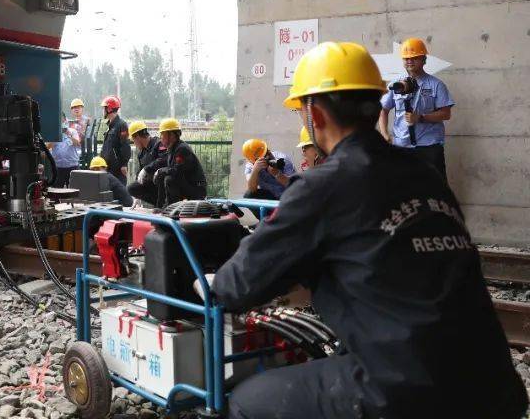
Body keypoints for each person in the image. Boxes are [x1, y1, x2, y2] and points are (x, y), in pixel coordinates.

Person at [210, 42, 526, 419]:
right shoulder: (427, 177)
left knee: (247, 401)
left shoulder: (322, 187)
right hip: (495, 387)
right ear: (377, 106)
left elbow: (236, 286)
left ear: (315, 114)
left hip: (411, 394)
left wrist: (210, 282)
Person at [379, 37, 454, 180]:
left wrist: (421, 117)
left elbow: (446, 114)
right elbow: (383, 109)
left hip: (429, 147)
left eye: (414, 58)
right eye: (406, 58)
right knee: (403, 188)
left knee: (434, 187)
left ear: (424, 60)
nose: (409, 61)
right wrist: (384, 134)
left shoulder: (436, 85)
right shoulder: (396, 85)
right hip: (402, 146)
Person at [129, 118, 206, 207]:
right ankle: (163, 206)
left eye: (163, 134)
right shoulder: (172, 149)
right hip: (181, 185)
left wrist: (156, 171)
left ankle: (170, 207)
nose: (161, 137)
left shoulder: (182, 149)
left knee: (168, 178)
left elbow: (176, 170)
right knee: (161, 177)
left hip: (195, 189)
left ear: (171, 135)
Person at [97, 95, 132, 205]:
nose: (103, 111)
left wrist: (124, 164)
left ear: (109, 108)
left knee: (120, 198)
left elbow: (125, 145)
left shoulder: (121, 125)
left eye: (104, 108)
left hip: (117, 170)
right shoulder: (111, 126)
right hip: (108, 168)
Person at [124, 121, 165, 206]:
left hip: (162, 182)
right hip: (151, 183)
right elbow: (140, 173)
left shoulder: (158, 144)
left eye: (133, 140)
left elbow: (163, 160)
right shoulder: (141, 153)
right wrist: (137, 196)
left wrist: (147, 169)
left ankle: (163, 204)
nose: (134, 143)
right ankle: (158, 204)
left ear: (137, 137)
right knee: (132, 188)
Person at [49, 120, 81, 187]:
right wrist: (54, 137)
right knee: (56, 189)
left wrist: (69, 135)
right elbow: (48, 146)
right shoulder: (53, 132)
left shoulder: (73, 131)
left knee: (74, 188)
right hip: (58, 167)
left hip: (72, 166)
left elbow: (77, 143)